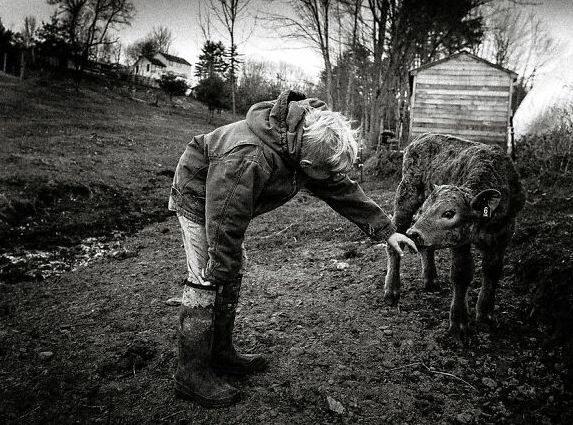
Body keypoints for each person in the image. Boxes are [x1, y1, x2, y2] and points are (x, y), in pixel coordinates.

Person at [168, 90, 417, 407]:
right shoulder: (250, 156)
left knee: (230, 267)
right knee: (208, 275)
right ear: (306, 163)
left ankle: (220, 353)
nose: (329, 178)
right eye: (325, 171)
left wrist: (386, 230)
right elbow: (225, 219)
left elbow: (338, 187)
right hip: (199, 197)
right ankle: (190, 374)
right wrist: (220, 266)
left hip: (227, 202)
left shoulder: (303, 143)